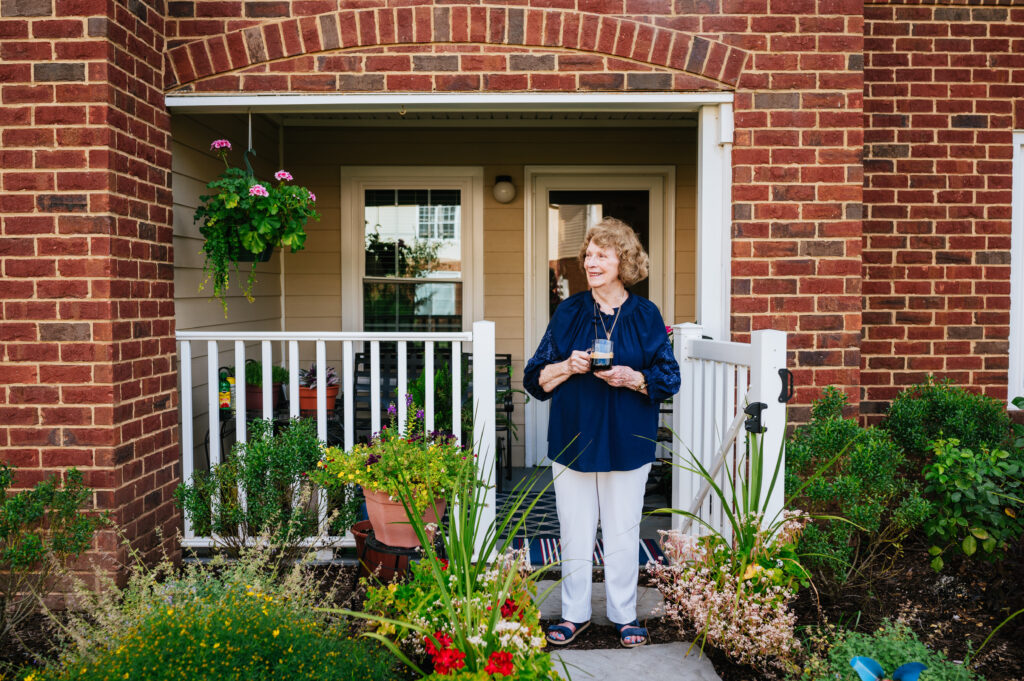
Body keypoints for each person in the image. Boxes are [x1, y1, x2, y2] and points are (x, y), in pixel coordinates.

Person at [523, 217, 681, 648]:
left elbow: (669, 377)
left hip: (629, 439)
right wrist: (567, 366)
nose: (591, 263)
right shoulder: (569, 311)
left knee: (624, 529)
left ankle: (623, 614)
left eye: (601, 255)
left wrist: (633, 377)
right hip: (574, 438)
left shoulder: (646, 315)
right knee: (574, 528)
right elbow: (534, 379)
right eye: (588, 255)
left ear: (623, 261)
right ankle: (574, 615)